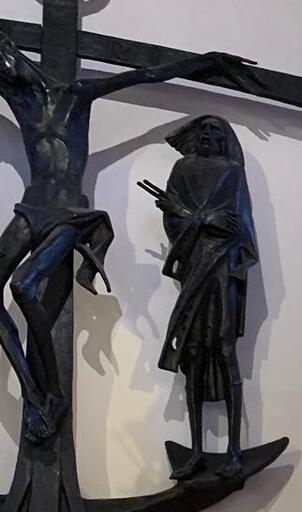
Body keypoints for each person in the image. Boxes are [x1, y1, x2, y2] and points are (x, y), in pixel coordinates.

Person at [0, 33, 249, 443]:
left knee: (24, 289)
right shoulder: (16, 97)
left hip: (70, 212)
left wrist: (203, 61)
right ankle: (34, 392)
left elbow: (146, 74)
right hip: (31, 208)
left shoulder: (76, 95)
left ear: (11, 51)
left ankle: (53, 394)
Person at [144, 115, 258, 480]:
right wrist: (200, 221)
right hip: (194, 264)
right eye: (203, 130)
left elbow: (239, 225)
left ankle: (234, 450)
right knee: (192, 353)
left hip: (223, 267)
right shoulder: (182, 169)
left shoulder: (233, 173)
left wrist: (206, 221)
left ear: (225, 139)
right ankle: (195, 450)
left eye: (215, 131)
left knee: (224, 349)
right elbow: (173, 220)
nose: (208, 135)